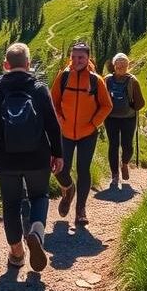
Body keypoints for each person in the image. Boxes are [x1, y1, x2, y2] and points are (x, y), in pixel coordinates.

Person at [0, 43, 63, 271]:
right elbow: (52, 125)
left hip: (6, 161)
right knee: (39, 195)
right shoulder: (38, 89)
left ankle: (16, 252)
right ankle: (36, 231)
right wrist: (58, 153)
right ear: (28, 65)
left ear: (6, 65)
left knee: (11, 204)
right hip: (37, 157)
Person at [51, 41, 112, 226]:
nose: (77, 61)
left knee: (83, 170)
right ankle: (68, 190)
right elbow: (52, 101)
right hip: (65, 132)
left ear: (88, 58)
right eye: (74, 57)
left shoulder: (96, 80)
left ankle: (80, 211)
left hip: (88, 133)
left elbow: (107, 106)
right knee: (60, 169)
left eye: (81, 57)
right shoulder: (63, 77)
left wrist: (94, 124)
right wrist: (59, 118)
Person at [104, 53, 145, 188]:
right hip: (113, 118)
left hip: (126, 118)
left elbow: (140, 102)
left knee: (125, 145)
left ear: (128, 66)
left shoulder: (133, 81)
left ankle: (124, 164)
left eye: (123, 64)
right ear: (114, 65)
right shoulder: (107, 80)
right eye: (118, 64)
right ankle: (115, 175)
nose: (121, 66)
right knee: (115, 145)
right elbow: (139, 104)